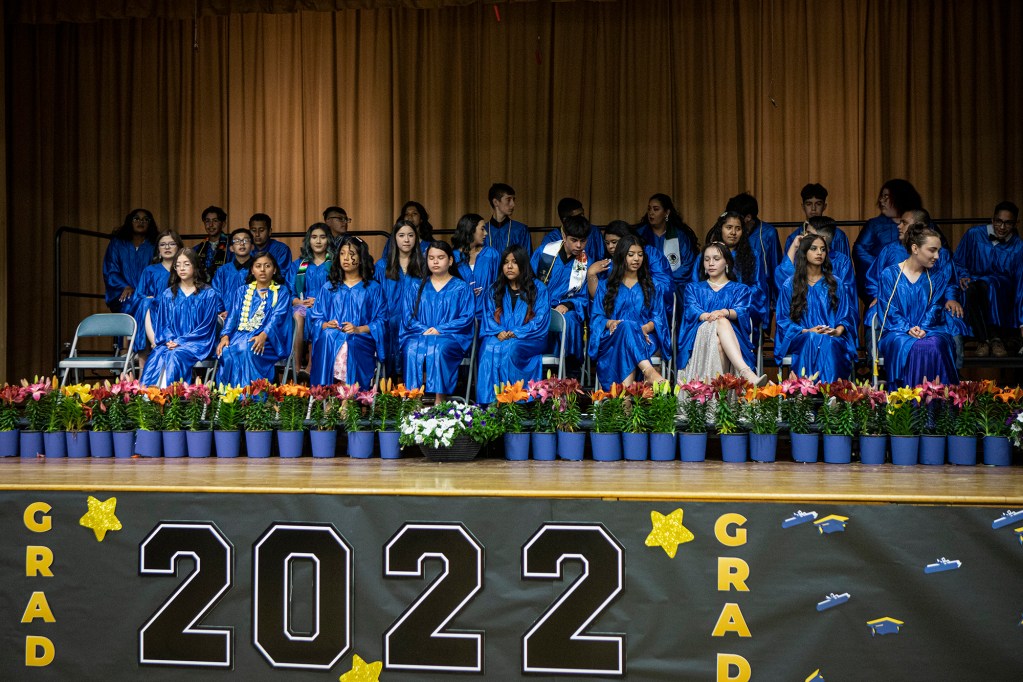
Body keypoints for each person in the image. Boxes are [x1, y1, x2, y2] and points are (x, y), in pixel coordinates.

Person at [876, 224, 959, 387]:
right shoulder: (890, 275)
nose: (937, 256)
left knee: (935, 344)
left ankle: (936, 405)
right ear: (915, 248)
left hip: (932, 329)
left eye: (938, 251)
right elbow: (888, 309)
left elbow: (936, 307)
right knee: (905, 344)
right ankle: (907, 403)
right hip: (897, 331)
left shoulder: (937, 276)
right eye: (932, 250)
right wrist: (907, 328)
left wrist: (923, 328)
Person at [676, 243, 764, 386]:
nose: (711, 263)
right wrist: (708, 316)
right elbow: (691, 309)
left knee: (719, 340)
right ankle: (746, 373)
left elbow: (742, 311)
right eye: (707, 259)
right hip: (700, 333)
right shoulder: (693, 288)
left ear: (727, 262)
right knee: (720, 321)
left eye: (716, 259)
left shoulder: (741, 289)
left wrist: (724, 312)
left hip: (732, 335)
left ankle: (716, 393)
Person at [864, 209, 963, 333]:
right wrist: (878, 295)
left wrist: (951, 298)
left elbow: (950, 280)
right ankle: (875, 352)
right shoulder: (889, 250)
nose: (899, 226)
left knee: (953, 321)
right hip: (895, 304)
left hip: (929, 305)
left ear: (920, 227)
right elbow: (873, 278)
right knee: (874, 316)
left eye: (904, 223)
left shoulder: (940, 254)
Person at [589, 235, 669, 386]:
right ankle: (650, 372)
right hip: (613, 338)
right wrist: (611, 322)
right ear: (621, 256)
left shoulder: (653, 286)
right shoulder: (606, 286)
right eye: (631, 255)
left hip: (645, 338)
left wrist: (644, 328)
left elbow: (659, 318)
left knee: (628, 331)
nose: (636, 259)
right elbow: (596, 318)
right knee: (626, 327)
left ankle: (625, 401)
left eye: (640, 254)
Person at [400, 241, 475, 402]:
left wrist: (440, 329)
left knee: (439, 348)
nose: (435, 261)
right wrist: (425, 329)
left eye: (440, 257)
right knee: (411, 349)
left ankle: (440, 400)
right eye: (431, 258)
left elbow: (466, 317)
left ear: (450, 260)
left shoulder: (461, 288)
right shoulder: (416, 287)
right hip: (420, 335)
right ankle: (414, 400)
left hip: (451, 337)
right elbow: (408, 317)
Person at [775, 236, 857, 382]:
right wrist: (806, 331)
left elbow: (846, 315)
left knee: (826, 340)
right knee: (813, 338)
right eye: (814, 249)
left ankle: (814, 391)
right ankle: (826, 392)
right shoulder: (790, 285)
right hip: (801, 338)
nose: (819, 253)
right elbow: (783, 320)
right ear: (804, 252)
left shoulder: (835, 283)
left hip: (832, 338)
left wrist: (837, 331)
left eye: (823, 249)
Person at [308, 236, 386, 389]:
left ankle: (346, 398)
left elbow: (382, 320)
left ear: (361, 258)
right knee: (329, 336)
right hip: (331, 338)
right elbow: (315, 318)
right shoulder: (329, 287)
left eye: (352, 254)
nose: (346, 258)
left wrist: (358, 329)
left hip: (361, 340)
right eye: (342, 254)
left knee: (348, 341)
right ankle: (327, 394)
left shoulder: (373, 288)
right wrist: (325, 324)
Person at [476, 246, 551, 404]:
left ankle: (514, 399)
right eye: (505, 262)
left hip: (531, 338)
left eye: (514, 262)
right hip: (500, 336)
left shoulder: (538, 289)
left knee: (511, 347)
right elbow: (488, 316)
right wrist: (498, 331)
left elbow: (540, 320)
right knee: (487, 346)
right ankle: (491, 401)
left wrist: (517, 332)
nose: (509, 266)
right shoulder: (495, 289)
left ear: (523, 264)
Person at [139, 248, 221, 387]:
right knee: (157, 354)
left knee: (174, 355)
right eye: (178, 264)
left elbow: (206, 327)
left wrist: (181, 341)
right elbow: (164, 325)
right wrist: (171, 340)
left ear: (195, 266)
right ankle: (149, 399)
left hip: (197, 343)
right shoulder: (168, 294)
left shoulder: (208, 294)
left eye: (187, 264)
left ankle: (172, 398)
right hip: (172, 343)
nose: (182, 268)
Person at [954, 201, 1023, 357]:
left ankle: (986, 339)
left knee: (987, 285)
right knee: (970, 287)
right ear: (992, 220)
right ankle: (989, 338)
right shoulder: (974, 235)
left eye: (1008, 223)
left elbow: (1020, 283)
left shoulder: (1019, 247)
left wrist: (1022, 320)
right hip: (974, 283)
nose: (1002, 227)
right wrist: (963, 275)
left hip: (1002, 290)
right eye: (999, 221)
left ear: (1015, 223)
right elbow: (958, 261)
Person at [216, 253, 293, 386]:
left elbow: (277, 318)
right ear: (252, 270)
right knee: (227, 350)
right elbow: (233, 316)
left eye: (267, 266)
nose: (262, 270)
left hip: (270, 341)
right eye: (258, 266)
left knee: (248, 348)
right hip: (240, 336)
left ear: (274, 270)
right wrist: (225, 336)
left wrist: (264, 335)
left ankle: (253, 398)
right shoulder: (242, 291)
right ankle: (228, 397)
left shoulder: (282, 292)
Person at [530, 214, 591, 365]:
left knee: (570, 320)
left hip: (566, 309)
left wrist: (568, 305)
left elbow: (584, 296)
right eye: (574, 240)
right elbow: (529, 281)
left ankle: (570, 370)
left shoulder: (586, 263)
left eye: (582, 241)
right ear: (564, 235)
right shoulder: (545, 253)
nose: (578, 245)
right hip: (540, 305)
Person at [853, 179, 922, 301]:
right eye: (881, 196)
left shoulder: (922, 223)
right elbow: (859, 250)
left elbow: (942, 253)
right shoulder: (874, 225)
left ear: (900, 198)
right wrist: (883, 266)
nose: (881, 201)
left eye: (886, 197)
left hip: (918, 284)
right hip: (881, 284)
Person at [375, 219, 427, 379]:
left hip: (415, 323)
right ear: (394, 239)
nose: (406, 240)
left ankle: (413, 392)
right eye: (402, 235)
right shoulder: (382, 266)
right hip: (389, 322)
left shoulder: (424, 265)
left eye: (411, 235)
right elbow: (377, 298)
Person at [700, 211, 768, 332]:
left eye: (738, 228)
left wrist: (732, 299)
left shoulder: (752, 256)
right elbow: (697, 285)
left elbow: (758, 289)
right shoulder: (707, 254)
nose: (733, 233)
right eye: (729, 227)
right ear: (720, 229)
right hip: (708, 310)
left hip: (739, 311)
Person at [287, 223, 333, 378]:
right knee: (298, 316)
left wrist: (320, 301)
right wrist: (298, 302)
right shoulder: (299, 265)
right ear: (309, 240)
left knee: (316, 315)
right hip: (302, 305)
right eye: (314, 237)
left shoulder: (334, 264)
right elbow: (289, 292)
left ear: (328, 240)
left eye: (322, 237)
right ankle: (297, 366)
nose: (318, 241)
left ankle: (312, 366)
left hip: (327, 308)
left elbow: (341, 291)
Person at [586, 220, 673, 301]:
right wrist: (591, 273)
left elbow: (665, 286)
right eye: (607, 243)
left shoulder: (651, 253)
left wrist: (634, 291)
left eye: (614, 242)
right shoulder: (608, 262)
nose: (610, 247)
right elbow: (600, 297)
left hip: (649, 307)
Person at [636, 193, 699, 304]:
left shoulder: (680, 235)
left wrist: (666, 280)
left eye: (656, 209)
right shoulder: (640, 235)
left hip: (675, 283)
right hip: (646, 283)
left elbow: (688, 265)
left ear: (667, 212)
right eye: (649, 209)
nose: (651, 213)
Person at [725, 192, 784, 311]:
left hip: (759, 290)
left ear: (748, 217)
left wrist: (775, 298)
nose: (733, 230)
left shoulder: (768, 233)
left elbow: (775, 265)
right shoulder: (730, 234)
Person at [775, 217, 855, 294]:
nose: (804, 236)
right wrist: (794, 247)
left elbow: (847, 297)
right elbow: (782, 283)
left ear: (823, 238)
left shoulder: (842, 262)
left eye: (809, 234)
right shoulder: (799, 257)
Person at [137, 230, 186, 354]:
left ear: (179, 247)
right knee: (146, 304)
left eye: (172, 244)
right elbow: (139, 295)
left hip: (179, 313)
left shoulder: (185, 270)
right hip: (154, 313)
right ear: (158, 248)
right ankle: (154, 345)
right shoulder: (150, 270)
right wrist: (151, 300)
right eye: (163, 244)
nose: (167, 247)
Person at [103, 208, 158, 315]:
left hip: (147, 293)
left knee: (146, 303)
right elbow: (111, 271)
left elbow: (157, 271)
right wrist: (125, 286)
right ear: (130, 222)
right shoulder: (117, 244)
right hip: (122, 292)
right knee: (131, 302)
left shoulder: (154, 245)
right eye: (136, 219)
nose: (141, 222)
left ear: (150, 224)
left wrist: (141, 291)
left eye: (145, 219)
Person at [780, 185, 852, 258]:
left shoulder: (838, 236)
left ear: (824, 206)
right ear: (803, 206)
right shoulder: (793, 238)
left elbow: (845, 265)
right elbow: (787, 266)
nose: (813, 208)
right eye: (809, 204)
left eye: (818, 204)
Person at [452, 213, 500, 316]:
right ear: (470, 230)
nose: (486, 233)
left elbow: (499, 285)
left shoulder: (491, 254)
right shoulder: (453, 257)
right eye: (482, 229)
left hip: (488, 316)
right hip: (461, 316)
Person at [538, 197, 604, 264]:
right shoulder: (551, 239)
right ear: (565, 220)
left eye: (583, 214)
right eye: (578, 216)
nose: (583, 218)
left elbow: (601, 259)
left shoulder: (594, 232)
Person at [212, 228, 255, 311]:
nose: (242, 243)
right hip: (226, 318)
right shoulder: (223, 271)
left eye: (246, 240)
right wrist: (221, 312)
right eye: (237, 241)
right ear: (231, 248)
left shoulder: (259, 269)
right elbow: (215, 294)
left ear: (252, 246)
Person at [484, 183, 531, 255]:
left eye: (513, 199)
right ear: (495, 202)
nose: (513, 204)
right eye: (508, 200)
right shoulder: (483, 231)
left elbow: (526, 260)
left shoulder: (520, 230)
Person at [194, 205, 229, 277]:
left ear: (223, 224)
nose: (211, 225)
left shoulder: (231, 248)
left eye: (215, 221)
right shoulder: (197, 249)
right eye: (207, 221)